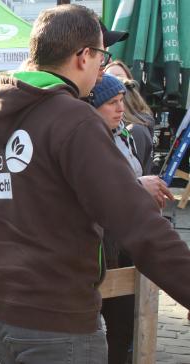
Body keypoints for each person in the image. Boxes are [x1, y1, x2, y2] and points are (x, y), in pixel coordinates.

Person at [0, 4, 190, 363]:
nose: (103, 68)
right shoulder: (74, 118)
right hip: (56, 320)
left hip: (0, 311)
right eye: (101, 57)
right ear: (82, 56)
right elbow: (137, 222)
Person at [91, 73, 173, 364]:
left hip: (127, 244)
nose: (120, 109)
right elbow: (91, 192)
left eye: (121, 101)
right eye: (111, 103)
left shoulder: (127, 134)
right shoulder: (85, 141)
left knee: (123, 325)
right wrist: (139, 187)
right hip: (98, 248)